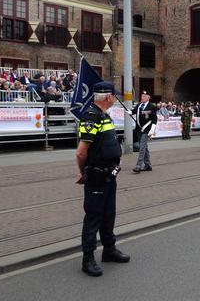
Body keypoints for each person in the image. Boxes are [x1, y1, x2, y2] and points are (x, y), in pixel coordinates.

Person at [75, 82, 129, 277]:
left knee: (108, 214)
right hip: (97, 176)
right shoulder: (92, 117)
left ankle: (109, 250)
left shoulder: (105, 116)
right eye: (114, 95)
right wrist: (83, 173)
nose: (115, 99)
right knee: (94, 217)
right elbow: (81, 153)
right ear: (108, 97)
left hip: (109, 175)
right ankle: (87, 258)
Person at [132, 91, 157, 173]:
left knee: (142, 147)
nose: (142, 97)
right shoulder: (139, 105)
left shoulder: (152, 106)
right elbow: (133, 111)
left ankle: (138, 166)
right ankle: (148, 165)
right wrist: (129, 112)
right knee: (144, 147)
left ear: (148, 97)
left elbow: (154, 119)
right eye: (142, 96)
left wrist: (152, 130)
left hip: (146, 130)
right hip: (139, 129)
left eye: (144, 96)